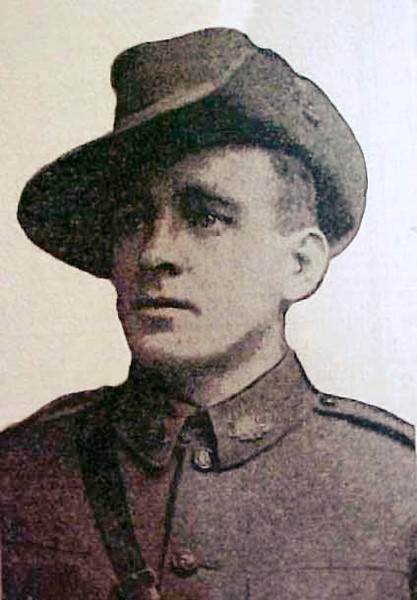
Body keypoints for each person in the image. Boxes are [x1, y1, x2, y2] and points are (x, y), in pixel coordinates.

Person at [1, 27, 416, 600]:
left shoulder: (398, 485)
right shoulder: (20, 472)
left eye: (207, 217)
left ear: (299, 264)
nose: (155, 253)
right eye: (131, 221)